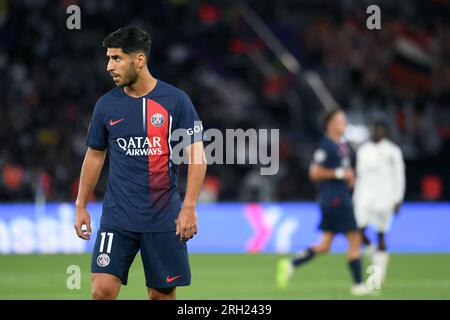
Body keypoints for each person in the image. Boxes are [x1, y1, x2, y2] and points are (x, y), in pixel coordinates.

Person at [74, 26, 207, 300]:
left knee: (160, 296)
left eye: (117, 58)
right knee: (101, 291)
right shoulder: (106, 105)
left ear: (139, 60)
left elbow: (197, 156)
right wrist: (81, 204)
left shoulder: (176, 101)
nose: (109, 66)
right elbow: (95, 155)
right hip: (117, 215)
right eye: (109, 58)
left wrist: (189, 207)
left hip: (162, 217)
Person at [277, 108, 372, 296]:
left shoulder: (341, 146)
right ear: (330, 124)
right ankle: (359, 285)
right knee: (354, 239)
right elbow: (314, 172)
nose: (344, 123)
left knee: (325, 245)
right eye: (340, 120)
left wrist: (349, 177)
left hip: (338, 198)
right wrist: (340, 174)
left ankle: (291, 263)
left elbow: (344, 171)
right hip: (335, 200)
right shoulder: (326, 146)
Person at [353, 120, 405, 286]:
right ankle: (377, 257)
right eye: (373, 129)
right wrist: (355, 197)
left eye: (379, 129)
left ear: (385, 132)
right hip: (364, 198)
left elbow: (399, 175)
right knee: (358, 230)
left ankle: (378, 275)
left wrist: (398, 199)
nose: (375, 132)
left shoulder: (392, 151)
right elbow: (359, 176)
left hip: (385, 198)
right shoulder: (363, 150)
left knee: (381, 234)